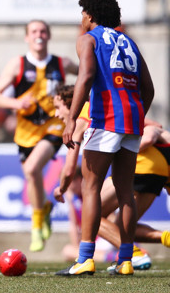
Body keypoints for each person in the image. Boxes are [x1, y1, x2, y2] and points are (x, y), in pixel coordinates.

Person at [55, 0, 154, 276]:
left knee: (91, 188)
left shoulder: (88, 39)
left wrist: (71, 119)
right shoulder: (130, 43)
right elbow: (149, 89)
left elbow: (85, 78)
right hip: (132, 123)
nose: (81, 18)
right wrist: (136, 116)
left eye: (82, 13)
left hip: (106, 120)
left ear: (90, 15)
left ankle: (85, 258)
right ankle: (125, 261)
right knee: (125, 193)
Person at [53, 84, 168, 272]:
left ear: (71, 103)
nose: (56, 114)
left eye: (58, 107)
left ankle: (129, 255)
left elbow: (69, 168)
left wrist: (62, 187)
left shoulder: (83, 114)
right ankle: (139, 252)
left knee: (92, 212)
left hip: (142, 162)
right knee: (118, 222)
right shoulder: (112, 106)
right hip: (160, 164)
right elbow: (155, 125)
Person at [0, 19, 78, 252]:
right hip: (26, 130)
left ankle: (36, 224)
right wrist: (16, 102)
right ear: (27, 37)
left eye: (43, 31)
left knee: (31, 169)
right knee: (32, 175)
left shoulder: (61, 63)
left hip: (54, 126)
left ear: (49, 36)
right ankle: (43, 210)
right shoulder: (17, 65)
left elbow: (87, 76)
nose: (39, 35)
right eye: (34, 31)